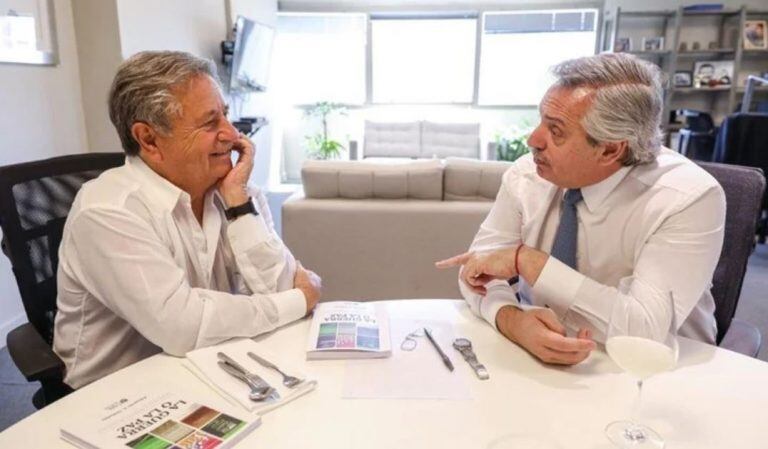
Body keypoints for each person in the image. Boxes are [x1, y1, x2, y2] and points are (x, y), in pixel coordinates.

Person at [53, 51, 322, 389]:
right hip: (117, 395)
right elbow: (184, 328)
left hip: (213, 369)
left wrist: (239, 207)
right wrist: (299, 300)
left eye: (225, 115)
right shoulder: (108, 211)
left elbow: (281, 288)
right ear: (149, 139)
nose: (233, 134)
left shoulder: (236, 190)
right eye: (210, 123)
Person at [437, 53, 724, 365]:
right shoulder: (527, 175)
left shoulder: (687, 198)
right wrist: (510, 318)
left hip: (656, 376)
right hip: (538, 364)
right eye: (541, 120)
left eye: (556, 130)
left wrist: (529, 261)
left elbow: (645, 333)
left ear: (610, 149)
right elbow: (476, 274)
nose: (533, 139)